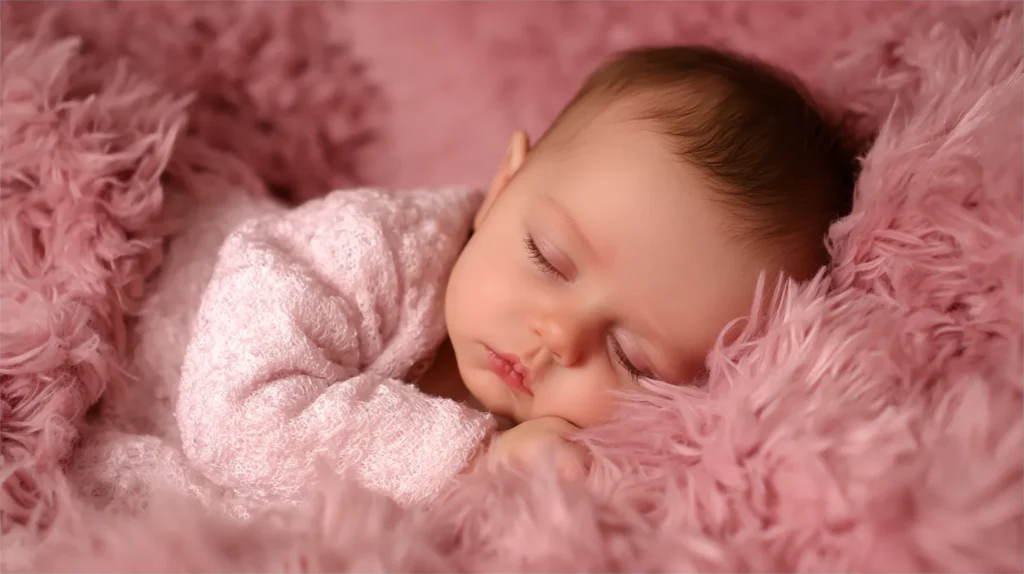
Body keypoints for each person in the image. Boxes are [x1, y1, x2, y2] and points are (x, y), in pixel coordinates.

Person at [175, 45, 855, 508]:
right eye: (550, 258)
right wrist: (472, 465)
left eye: (632, 355)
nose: (559, 334)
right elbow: (237, 418)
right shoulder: (361, 249)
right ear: (505, 184)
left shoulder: (565, 462)